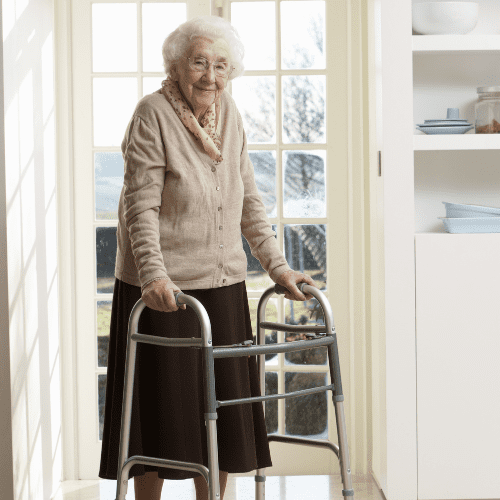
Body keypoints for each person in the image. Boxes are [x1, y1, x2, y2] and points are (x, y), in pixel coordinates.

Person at [98, 14, 318, 500]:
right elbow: (141, 204)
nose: (210, 76)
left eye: (221, 65)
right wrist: (153, 275)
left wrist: (277, 267)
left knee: (221, 418)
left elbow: (249, 200)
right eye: (199, 62)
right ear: (176, 65)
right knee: (157, 417)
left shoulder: (231, 115)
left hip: (222, 288)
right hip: (162, 289)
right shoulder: (152, 114)